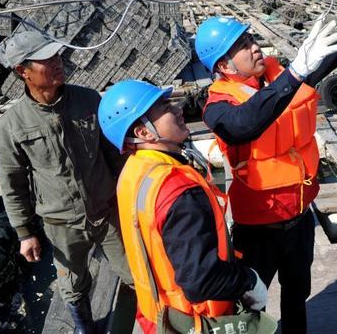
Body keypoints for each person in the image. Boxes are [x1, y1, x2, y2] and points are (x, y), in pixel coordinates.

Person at [195, 0, 337, 333]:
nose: (255, 46)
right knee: (249, 302)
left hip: (299, 218)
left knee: (297, 293)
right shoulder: (219, 107)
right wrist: (295, 72)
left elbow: (332, 55)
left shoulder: (279, 75)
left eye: (251, 39)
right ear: (224, 66)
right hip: (258, 229)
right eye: (243, 46)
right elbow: (245, 124)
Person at [97, 80, 276, 334]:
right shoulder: (178, 190)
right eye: (164, 107)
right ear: (144, 133)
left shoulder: (134, 171)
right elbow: (201, 281)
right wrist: (249, 281)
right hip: (196, 320)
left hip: (161, 316)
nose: (179, 109)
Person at [0, 30, 134, 334]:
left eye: (58, 56)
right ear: (23, 72)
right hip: (62, 224)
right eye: (47, 60)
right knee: (73, 286)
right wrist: (24, 233)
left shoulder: (89, 99)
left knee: (136, 273)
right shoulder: (12, 123)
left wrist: (131, 196)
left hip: (108, 211)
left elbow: (113, 153)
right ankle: (86, 329)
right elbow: (12, 182)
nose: (58, 62)